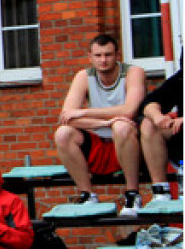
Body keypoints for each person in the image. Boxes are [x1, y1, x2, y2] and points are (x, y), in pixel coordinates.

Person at [53, 34, 146, 216]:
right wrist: (105, 122)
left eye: (108, 54)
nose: (103, 60)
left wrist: (84, 112)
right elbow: (66, 117)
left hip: (131, 141)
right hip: (99, 140)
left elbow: (129, 111)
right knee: (63, 133)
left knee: (121, 126)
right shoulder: (83, 76)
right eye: (98, 55)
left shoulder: (134, 72)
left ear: (118, 55)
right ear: (90, 57)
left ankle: (132, 193)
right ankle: (87, 194)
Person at [138, 63, 182, 205]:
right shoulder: (180, 80)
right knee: (149, 124)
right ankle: (161, 191)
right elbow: (149, 102)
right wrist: (158, 117)